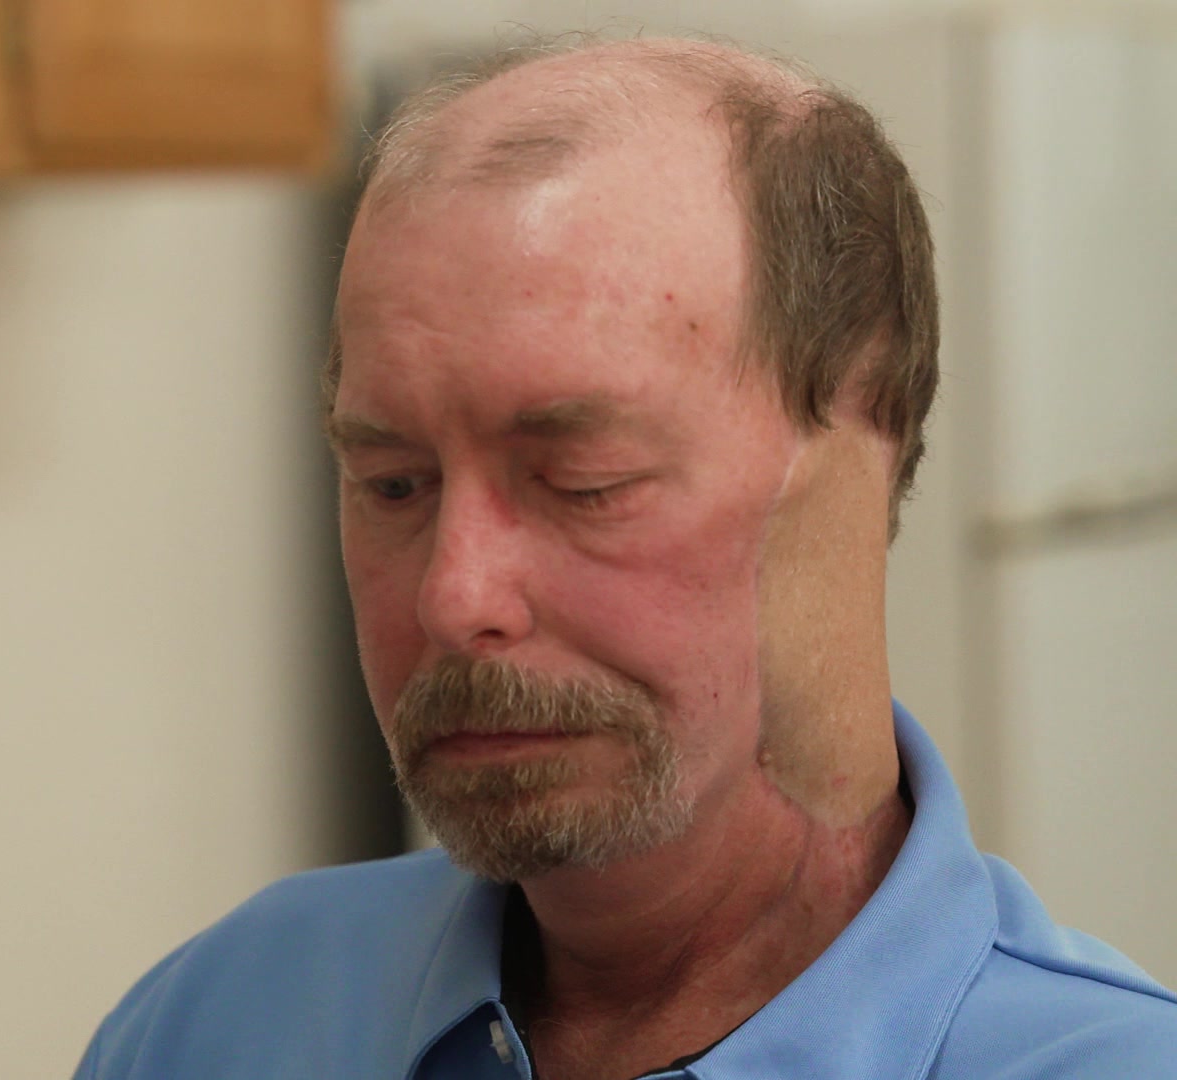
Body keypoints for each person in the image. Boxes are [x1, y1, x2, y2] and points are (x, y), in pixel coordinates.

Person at [73, 35, 1177, 1080]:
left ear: (853, 460)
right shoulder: (222, 1016)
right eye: (394, 484)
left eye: (584, 482)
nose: (455, 596)